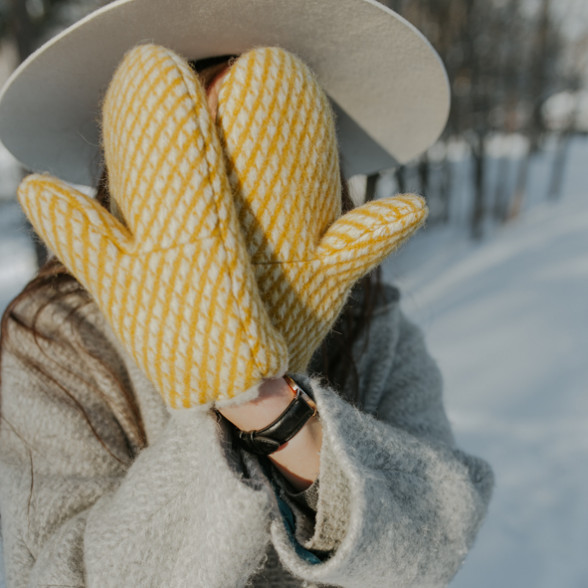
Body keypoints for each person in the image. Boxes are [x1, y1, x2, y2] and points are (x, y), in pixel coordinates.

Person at [0, 1, 493, 586]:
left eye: (259, 150)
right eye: (192, 156)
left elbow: (440, 534)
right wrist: (204, 378)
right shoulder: (56, 342)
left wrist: (268, 407)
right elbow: (54, 573)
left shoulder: (373, 326)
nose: (218, 205)